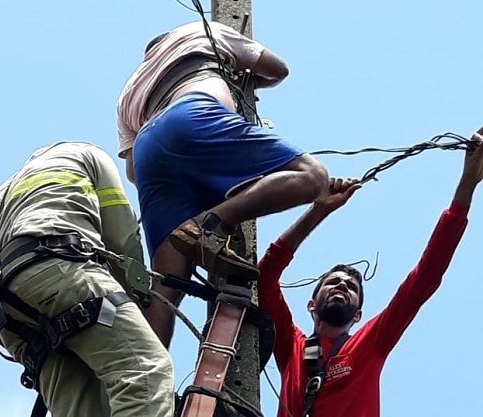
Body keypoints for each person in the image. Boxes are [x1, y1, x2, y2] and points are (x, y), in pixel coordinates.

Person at [117, 20, 329, 347]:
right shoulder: (200, 31)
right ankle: (210, 223)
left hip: (147, 151)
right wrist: (242, 78)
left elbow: (131, 171)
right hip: (193, 111)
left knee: (166, 289)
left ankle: (144, 387)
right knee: (312, 177)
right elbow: (278, 69)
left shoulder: (130, 89)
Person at [257, 127, 483, 417]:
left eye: (350, 287)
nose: (342, 287)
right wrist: (318, 211)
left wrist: (467, 185)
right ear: (311, 305)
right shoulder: (291, 347)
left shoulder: (371, 343)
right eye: (333, 282)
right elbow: (264, 279)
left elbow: (426, 276)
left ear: (357, 316)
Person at [0, 142, 174, 417]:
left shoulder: (4, 196)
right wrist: (140, 305)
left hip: (9, 318)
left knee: (83, 410)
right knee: (144, 370)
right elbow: (123, 243)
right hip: (59, 271)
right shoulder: (89, 155)